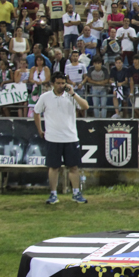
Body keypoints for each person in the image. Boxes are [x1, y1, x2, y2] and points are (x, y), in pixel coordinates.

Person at [34, 71, 90, 204]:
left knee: (73, 167)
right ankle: (53, 194)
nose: (61, 85)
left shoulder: (71, 96)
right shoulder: (45, 97)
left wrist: (73, 93)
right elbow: (36, 112)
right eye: (58, 83)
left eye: (63, 83)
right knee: (53, 167)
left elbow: (85, 106)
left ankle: (76, 193)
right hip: (53, 137)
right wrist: (40, 129)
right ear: (52, 84)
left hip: (70, 137)